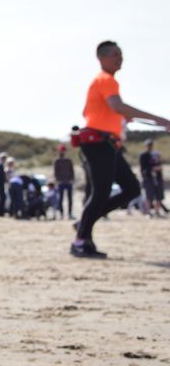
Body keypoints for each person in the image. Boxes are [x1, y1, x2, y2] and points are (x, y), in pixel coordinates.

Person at [72, 41, 170, 259]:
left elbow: (95, 110)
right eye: (115, 55)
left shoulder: (105, 83)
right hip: (98, 143)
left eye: (121, 55)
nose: (120, 59)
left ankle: (84, 225)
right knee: (100, 192)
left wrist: (119, 116)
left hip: (109, 144)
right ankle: (80, 241)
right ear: (102, 57)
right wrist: (159, 119)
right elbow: (117, 106)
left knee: (132, 189)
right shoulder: (105, 80)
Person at [53, 144, 75, 219]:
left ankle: (70, 214)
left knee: (70, 199)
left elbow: (72, 171)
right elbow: (56, 172)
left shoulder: (69, 161)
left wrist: (72, 179)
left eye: (63, 151)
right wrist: (58, 180)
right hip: (61, 182)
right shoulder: (57, 161)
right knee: (60, 199)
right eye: (61, 151)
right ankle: (61, 214)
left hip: (68, 182)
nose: (62, 152)